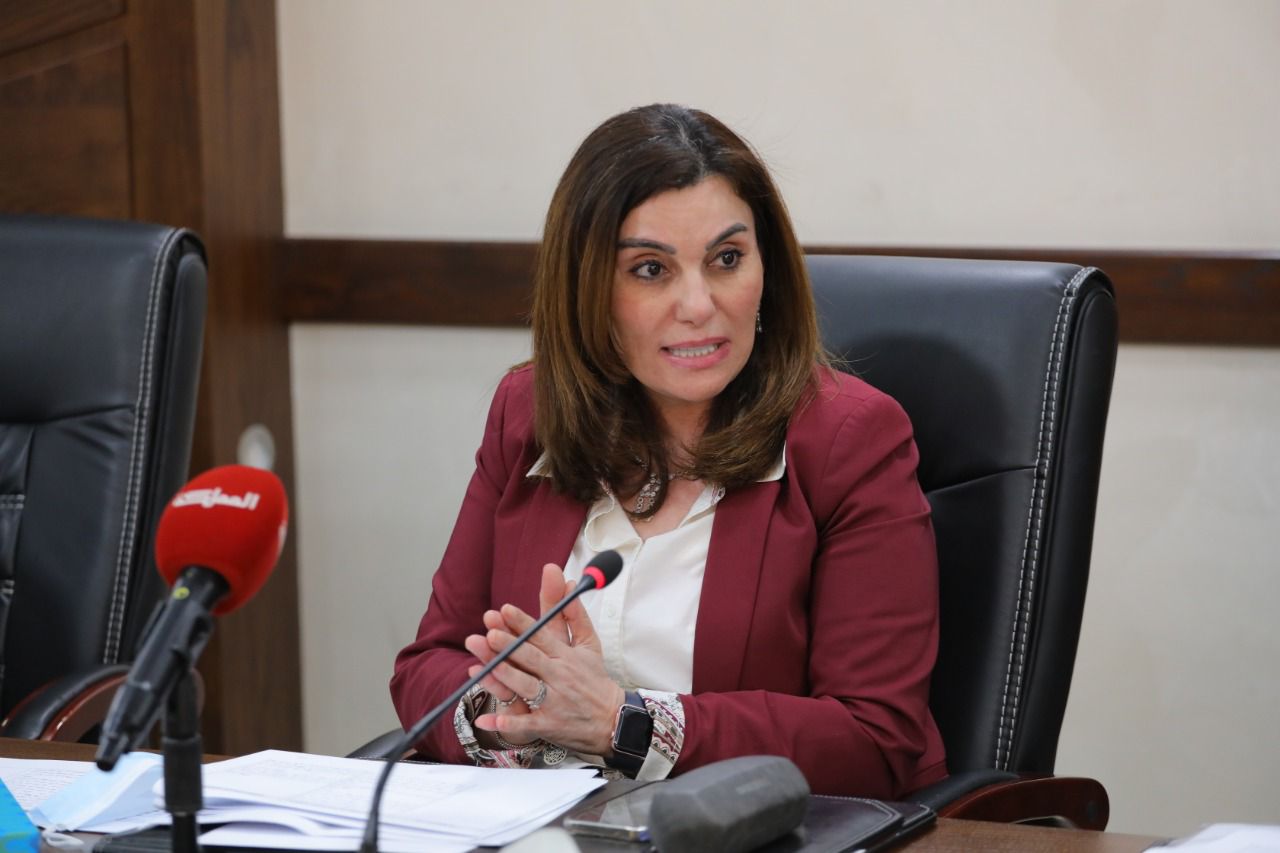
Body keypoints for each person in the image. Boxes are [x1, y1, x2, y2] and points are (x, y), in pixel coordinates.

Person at [390, 104, 946, 798]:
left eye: (727, 259)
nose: (699, 304)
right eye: (651, 269)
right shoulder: (528, 415)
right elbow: (428, 665)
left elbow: (874, 739)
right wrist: (511, 716)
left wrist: (621, 724)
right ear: (587, 289)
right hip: (552, 827)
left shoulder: (849, 440)